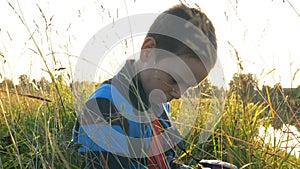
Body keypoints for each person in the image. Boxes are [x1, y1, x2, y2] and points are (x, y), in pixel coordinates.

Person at [72, 3, 217, 169]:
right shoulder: (103, 106)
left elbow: (163, 163)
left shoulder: (161, 108)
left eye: (188, 87)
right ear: (148, 51)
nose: (179, 94)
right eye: (174, 79)